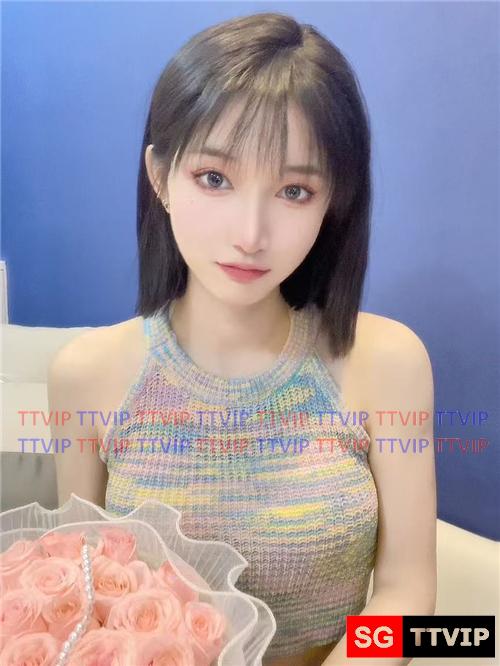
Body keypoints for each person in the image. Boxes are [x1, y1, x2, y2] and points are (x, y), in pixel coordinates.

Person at [49, 12, 437, 666]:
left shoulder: (386, 363)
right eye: (215, 178)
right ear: (160, 177)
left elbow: (408, 594)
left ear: (333, 201)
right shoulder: (86, 374)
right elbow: (87, 592)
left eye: (294, 190)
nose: (250, 234)